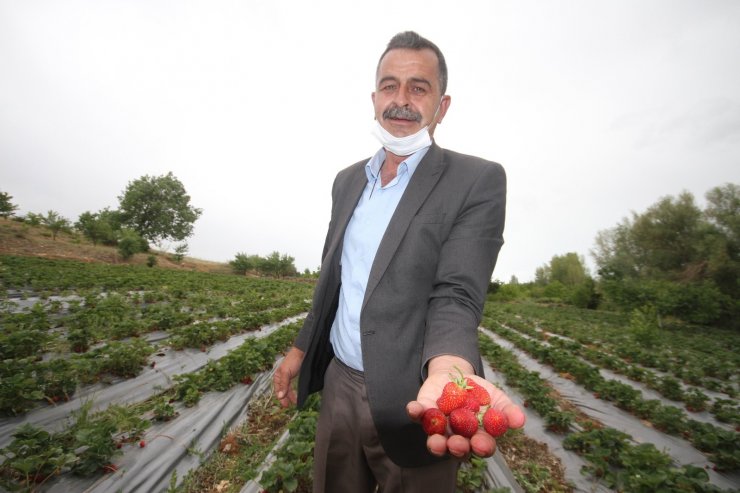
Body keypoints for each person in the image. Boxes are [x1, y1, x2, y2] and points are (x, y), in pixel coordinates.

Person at [273, 31, 525, 492]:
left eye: (418, 87)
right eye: (390, 86)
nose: (401, 100)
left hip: (414, 397)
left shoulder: (476, 180)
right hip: (339, 384)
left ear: (442, 106)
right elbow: (335, 278)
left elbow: (457, 292)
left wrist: (449, 371)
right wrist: (300, 350)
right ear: (374, 99)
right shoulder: (348, 181)